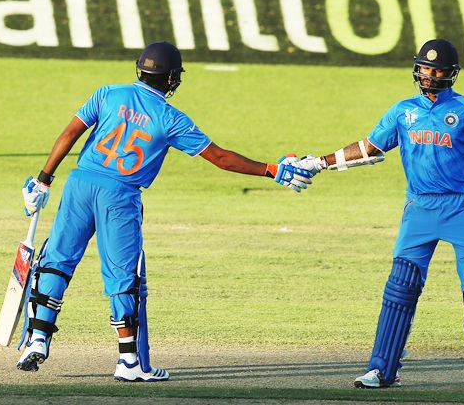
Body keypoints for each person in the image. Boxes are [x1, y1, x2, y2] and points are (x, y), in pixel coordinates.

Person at [16, 41, 313, 381]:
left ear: (140, 69)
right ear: (171, 79)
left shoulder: (108, 94)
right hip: (121, 195)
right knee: (122, 276)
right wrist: (273, 170)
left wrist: (43, 182)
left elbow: (70, 133)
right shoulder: (171, 118)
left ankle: (38, 337)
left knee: (57, 260)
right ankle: (128, 362)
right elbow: (219, 157)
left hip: (79, 184)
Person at [296, 39, 464, 391]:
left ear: (451, 74)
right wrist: (319, 162)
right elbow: (369, 148)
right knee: (401, 286)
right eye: (426, 68)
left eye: (438, 69)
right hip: (419, 207)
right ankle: (382, 370)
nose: (430, 74)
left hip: (462, 207)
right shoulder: (402, 111)